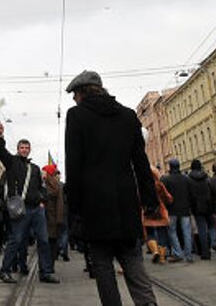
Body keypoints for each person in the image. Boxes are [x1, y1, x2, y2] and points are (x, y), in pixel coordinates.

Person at [65, 70, 158, 306]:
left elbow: (73, 165)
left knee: (103, 267)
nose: (74, 100)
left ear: (81, 93)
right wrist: (149, 200)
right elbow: (141, 162)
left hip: (94, 207)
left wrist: (74, 209)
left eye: (74, 95)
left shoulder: (77, 115)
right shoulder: (128, 116)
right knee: (134, 264)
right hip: (126, 204)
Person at [0, 123, 58, 285]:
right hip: (21, 210)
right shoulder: (11, 163)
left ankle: (45, 272)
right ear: (18, 149)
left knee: (43, 240)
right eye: (22, 147)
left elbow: (41, 188)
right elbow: (0, 152)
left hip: (37, 210)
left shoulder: (35, 168)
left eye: (26, 147)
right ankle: (4, 271)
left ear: (29, 150)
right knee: (15, 240)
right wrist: (1, 136)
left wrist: (42, 200)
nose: (24, 150)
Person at [161, 158, 193, 262]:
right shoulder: (186, 179)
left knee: (172, 232)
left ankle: (178, 253)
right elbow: (191, 194)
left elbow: (162, 195)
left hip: (171, 210)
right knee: (187, 232)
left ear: (170, 167)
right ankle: (189, 255)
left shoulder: (166, 179)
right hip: (185, 209)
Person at [144, 167, 172, 264]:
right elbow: (168, 197)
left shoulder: (142, 185)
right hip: (160, 210)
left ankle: (155, 251)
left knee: (150, 232)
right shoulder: (159, 184)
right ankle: (162, 257)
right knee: (162, 233)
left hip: (148, 211)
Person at [187, 159, 213, 260]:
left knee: (201, 229)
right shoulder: (207, 177)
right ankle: (213, 243)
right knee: (211, 227)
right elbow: (211, 190)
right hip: (209, 205)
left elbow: (189, 195)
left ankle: (205, 252)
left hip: (197, 207)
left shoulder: (189, 179)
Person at [42, 164, 64, 266]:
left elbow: (60, 204)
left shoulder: (55, 186)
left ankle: (49, 265)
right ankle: (47, 265)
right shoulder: (43, 184)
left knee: (50, 243)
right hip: (46, 218)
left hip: (51, 218)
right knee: (48, 243)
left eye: (44, 171)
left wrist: (59, 219)